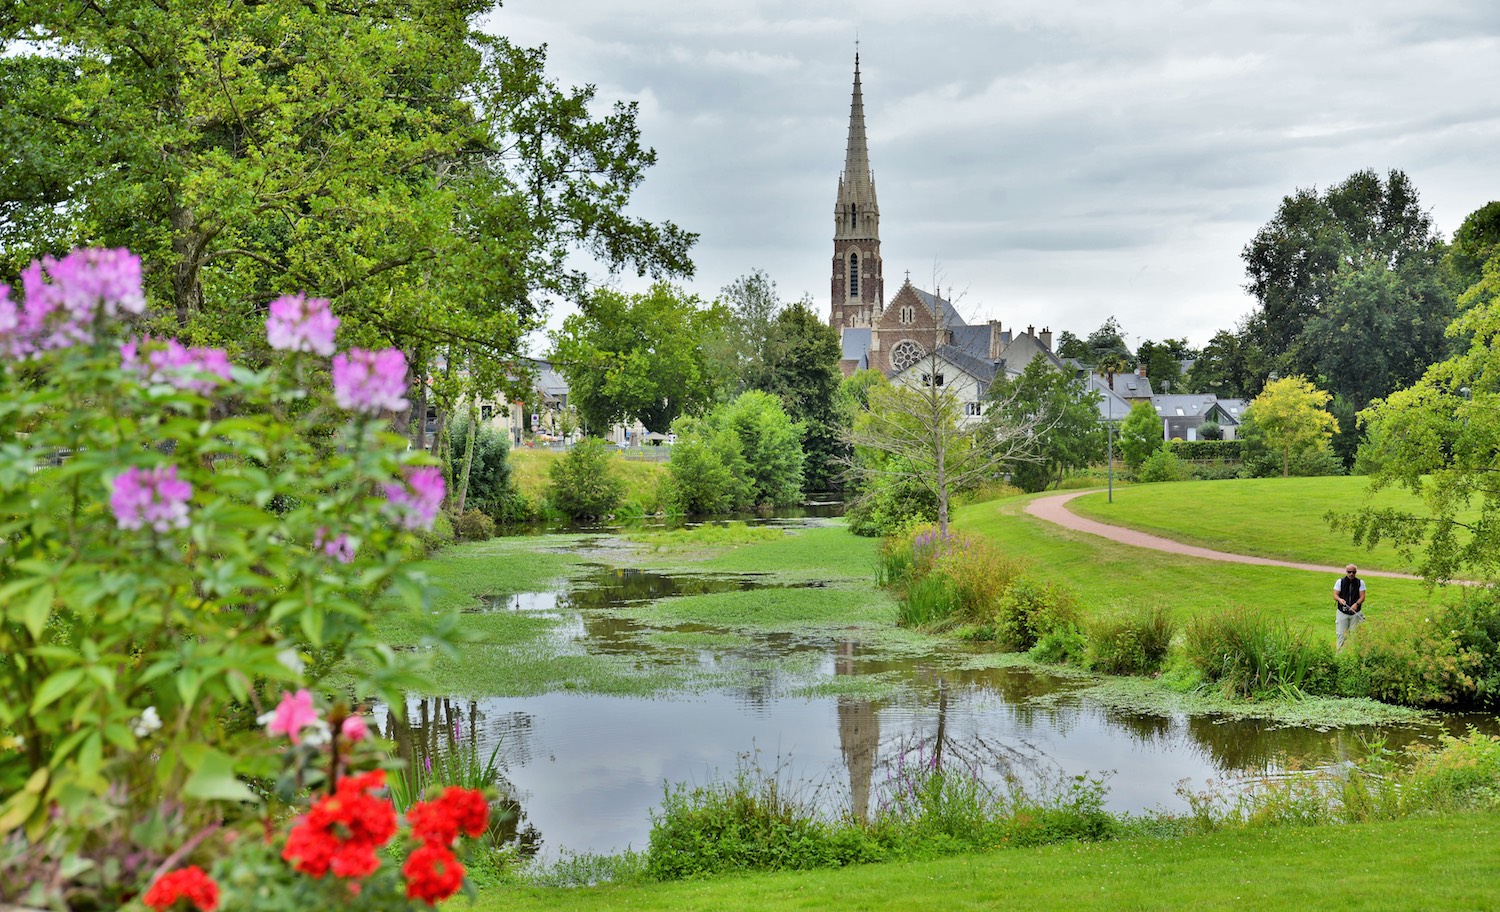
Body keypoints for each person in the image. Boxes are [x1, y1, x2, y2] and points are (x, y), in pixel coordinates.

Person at [1334, 564, 1366, 650]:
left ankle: (1352, 655)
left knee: (1354, 636)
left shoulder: (1360, 582)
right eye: (1349, 572)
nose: (1351, 574)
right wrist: (1340, 600)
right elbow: (1335, 595)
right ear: (1346, 572)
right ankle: (1339, 656)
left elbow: (1362, 596)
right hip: (1342, 612)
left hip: (1355, 613)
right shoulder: (1340, 582)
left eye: (1353, 572)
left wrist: (1356, 604)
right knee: (1341, 635)